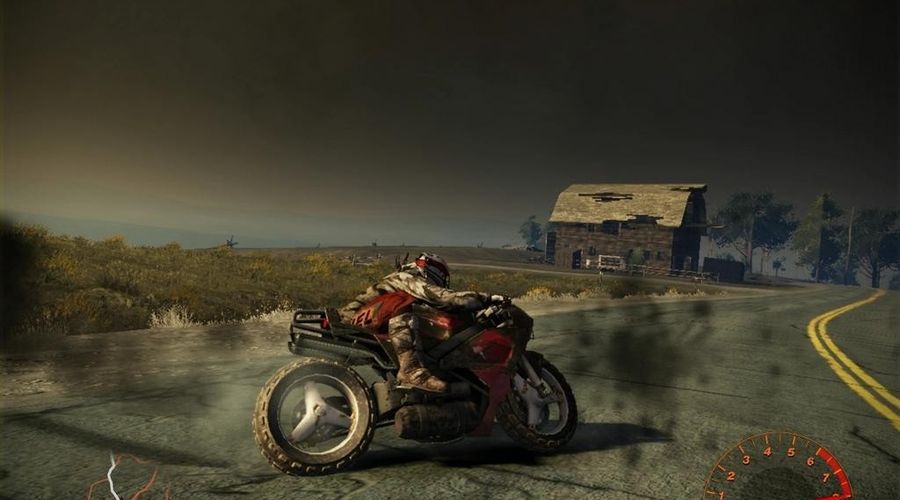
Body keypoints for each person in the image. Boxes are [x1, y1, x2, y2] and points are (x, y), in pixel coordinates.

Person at [340, 252, 506, 392]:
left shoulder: (402, 281)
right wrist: (486, 299)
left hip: (366, 322)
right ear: (433, 271)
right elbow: (440, 297)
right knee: (402, 302)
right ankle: (409, 370)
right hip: (355, 323)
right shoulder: (406, 278)